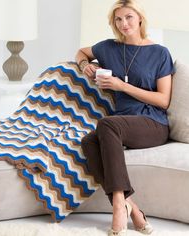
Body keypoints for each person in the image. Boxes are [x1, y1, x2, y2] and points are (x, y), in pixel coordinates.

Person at [75, 0, 175, 235]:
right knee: (89, 142)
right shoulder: (108, 47)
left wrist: (122, 86)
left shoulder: (160, 53)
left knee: (106, 125)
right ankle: (130, 207)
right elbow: (82, 52)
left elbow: (163, 100)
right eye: (118, 19)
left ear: (140, 18)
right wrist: (83, 66)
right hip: (121, 123)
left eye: (128, 17)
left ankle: (119, 207)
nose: (124, 24)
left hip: (153, 123)